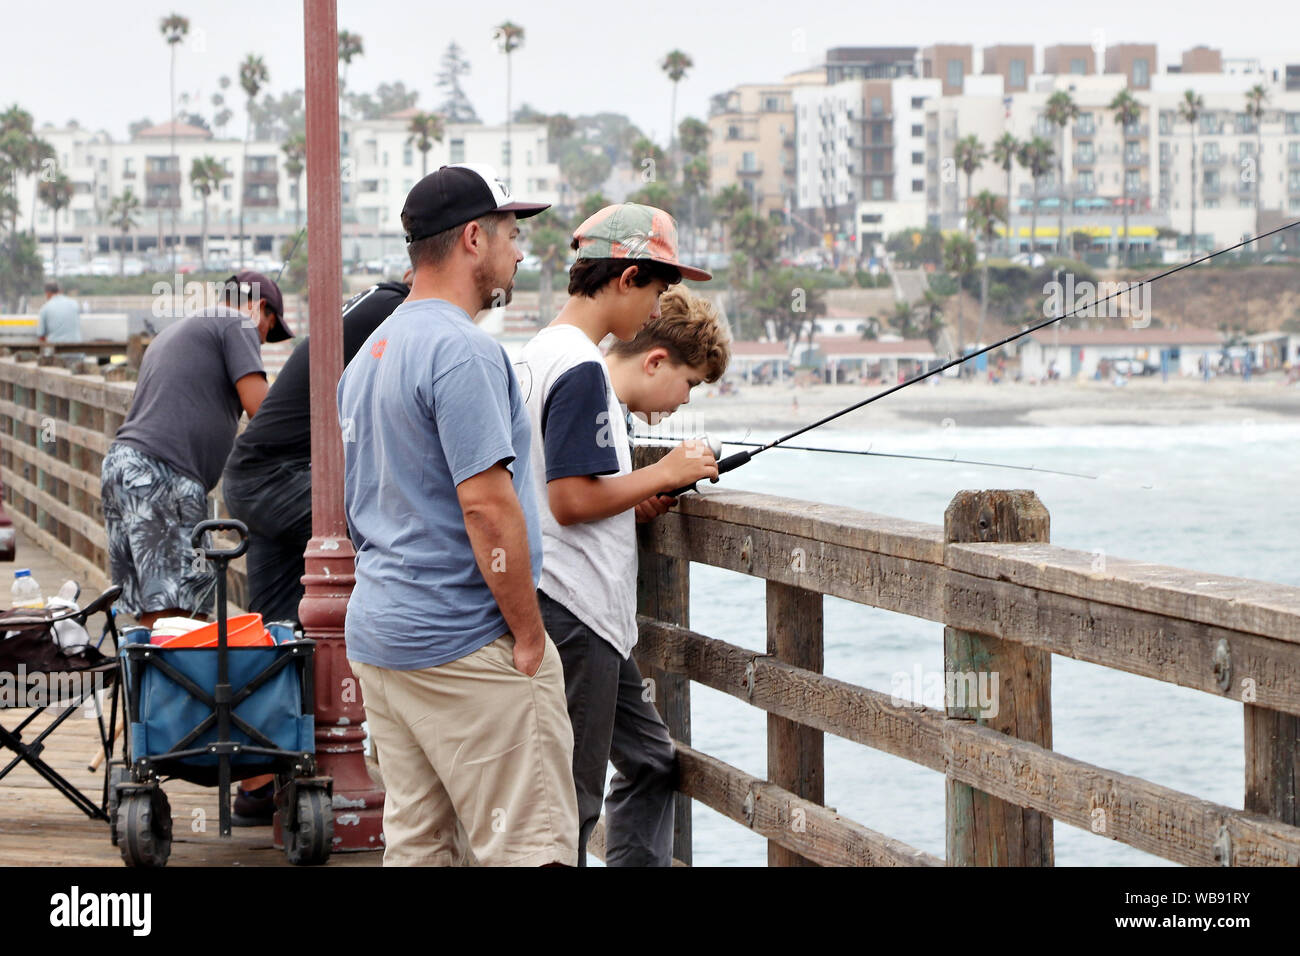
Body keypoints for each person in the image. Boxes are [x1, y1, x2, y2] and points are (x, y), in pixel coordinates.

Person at [338, 163, 578, 867]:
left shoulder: (372, 352)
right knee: (529, 846)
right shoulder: (463, 350)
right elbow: (486, 505)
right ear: (473, 238)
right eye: (511, 234)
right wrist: (529, 635)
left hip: (385, 638)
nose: (521, 251)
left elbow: (366, 503)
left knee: (419, 844)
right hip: (463, 642)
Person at [517, 204, 723, 865]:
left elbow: (555, 489)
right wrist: (662, 469)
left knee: (651, 761)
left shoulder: (538, 354)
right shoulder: (578, 367)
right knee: (569, 805)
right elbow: (571, 498)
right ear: (628, 277)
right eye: (658, 290)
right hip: (573, 609)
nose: (657, 306)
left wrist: (631, 499)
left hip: (573, 607)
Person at [101, 271, 290, 631]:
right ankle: (184, 687)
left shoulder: (179, 330)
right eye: (270, 327)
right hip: (163, 476)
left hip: (123, 468)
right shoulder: (237, 322)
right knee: (184, 610)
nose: (263, 339)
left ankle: (153, 687)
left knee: (153, 606)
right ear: (260, 307)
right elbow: (261, 411)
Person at [222, 273, 411, 628]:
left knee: (275, 627)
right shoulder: (399, 310)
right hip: (279, 478)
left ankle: (289, 680)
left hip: (250, 475)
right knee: (398, 533)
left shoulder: (374, 302)